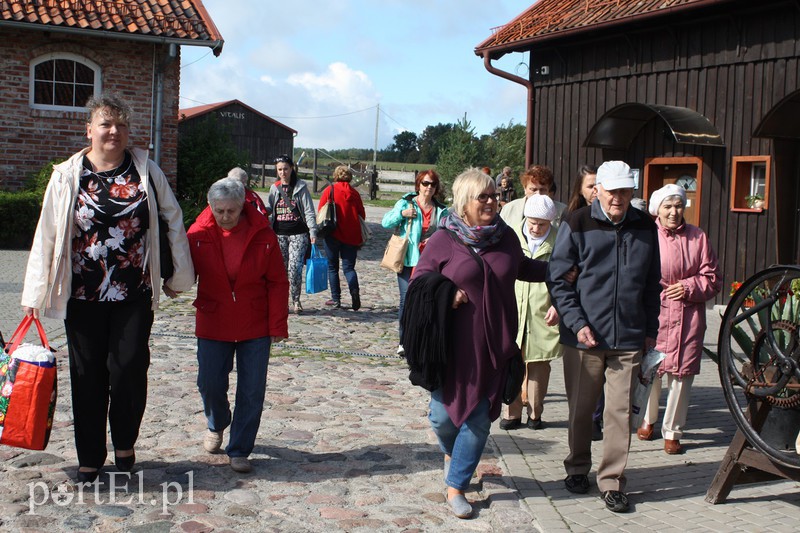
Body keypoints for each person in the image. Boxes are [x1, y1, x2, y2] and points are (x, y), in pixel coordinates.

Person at [20, 93, 195, 483]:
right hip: (81, 294)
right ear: (89, 131)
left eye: (120, 125)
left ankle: (125, 440)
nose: (113, 131)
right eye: (105, 124)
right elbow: (46, 233)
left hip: (133, 293)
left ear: (128, 131)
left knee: (130, 367)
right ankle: (90, 455)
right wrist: (35, 294)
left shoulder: (146, 171)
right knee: (87, 375)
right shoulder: (67, 175)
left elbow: (172, 219)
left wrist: (179, 275)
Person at [412, 168, 548, 519]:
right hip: (451, 347)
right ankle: (451, 452)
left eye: (494, 196)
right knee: (442, 417)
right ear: (464, 203)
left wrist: (558, 269)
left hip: (494, 345)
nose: (492, 202)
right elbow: (420, 279)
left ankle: (456, 485)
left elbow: (522, 267)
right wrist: (447, 291)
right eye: (483, 197)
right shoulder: (445, 239)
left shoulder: (505, 237)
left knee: (477, 419)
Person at [547, 160, 661, 513]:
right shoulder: (576, 222)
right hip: (584, 338)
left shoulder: (645, 226)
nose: (619, 198)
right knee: (581, 411)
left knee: (618, 413)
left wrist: (650, 330)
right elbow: (559, 279)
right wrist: (577, 322)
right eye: (613, 191)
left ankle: (612, 481)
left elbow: (651, 283)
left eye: (626, 191)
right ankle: (578, 467)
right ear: (598, 191)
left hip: (628, 337)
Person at [187, 177, 289, 473]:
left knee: (252, 388)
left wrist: (277, 324)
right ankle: (217, 421)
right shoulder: (197, 234)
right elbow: (182, 270)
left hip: (254, 322)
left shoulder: (263, 235)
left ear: (242, 206)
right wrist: (170, 283)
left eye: (231, 211)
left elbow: (277, 282)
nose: (225, 217)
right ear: (211, 206)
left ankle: (240, 448)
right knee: (209, 382)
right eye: (219, 211)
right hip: (213, 319)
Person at [638, 184, 721, 454]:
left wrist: (688, 287)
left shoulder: (698, 237)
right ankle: (647, 420)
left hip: (688, 315)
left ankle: (672, 431)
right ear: (657, 210)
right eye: (667, 206)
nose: (673, 212)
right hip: (656, 311)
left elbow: (712, 278)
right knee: (651, 369)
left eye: (678, 206)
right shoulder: (648, 234)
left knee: (681, 375)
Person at [499, 194, 562, 431]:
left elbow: (565, 277)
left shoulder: (559, 240)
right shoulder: (511, 234)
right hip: (513, 306)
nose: (535, 228)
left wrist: (558, 305)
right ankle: (511, 412)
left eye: (541, 224)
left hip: (542, 310)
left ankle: (535, 413)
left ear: (550, 223)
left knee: (538, 366)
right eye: (532, 222)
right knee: (511, 360)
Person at [380, 170, 448, 354]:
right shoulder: (406, 203)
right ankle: (404, 341)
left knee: (427, 302)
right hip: (408, 260)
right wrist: (402, 213)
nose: (429, 188)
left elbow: (448, 234)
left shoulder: (441, 210)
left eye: (432, 184)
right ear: (418, 185)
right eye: (425, 183)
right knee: (406, 300)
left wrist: (434, 240)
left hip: (430, 263)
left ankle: (421, 340)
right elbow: (385, 222)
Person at [265, 154, 317, 314]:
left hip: (298, 234)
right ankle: (281, 301)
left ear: (291, 168)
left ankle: (296, 300)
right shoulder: (275, 188)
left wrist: (313, 231)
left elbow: (308, 210)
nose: (282, 172)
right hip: (279, 234)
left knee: (294, 268)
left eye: (285, 169)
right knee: (280, 270)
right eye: (279, 170)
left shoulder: (300, 187)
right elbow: (270, 208)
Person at [317, 166, 366, 310]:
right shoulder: (355, 193)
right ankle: (354, 292)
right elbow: (362, 214)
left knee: (332, 267)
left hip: (332, 233)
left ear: (336, 175)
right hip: (351, 235)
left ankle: (336, 299)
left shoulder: (329, 190)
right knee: (349, 268)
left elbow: (321, 211)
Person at [500, 165, 567, 229]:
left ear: (548, 190)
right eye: (533, 190)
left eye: (542, 190)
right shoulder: (508, 209)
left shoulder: (563, 212)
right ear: (524, 189)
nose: (538, 194)